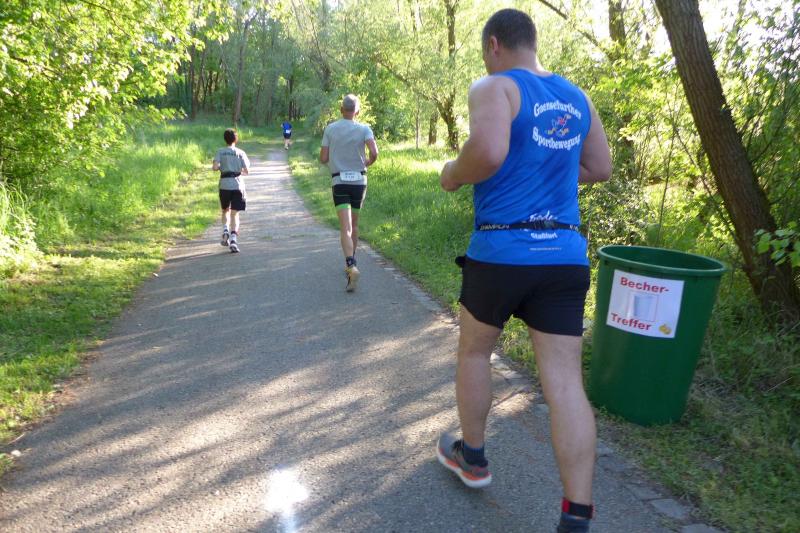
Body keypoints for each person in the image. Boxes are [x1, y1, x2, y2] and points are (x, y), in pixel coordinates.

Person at [435, 9, 611, 533]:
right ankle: (576, 515)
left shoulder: (495, 87)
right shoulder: (576, 98)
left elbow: (488, 151)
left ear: (494, 44)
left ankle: (473, 457)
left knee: (475, 351)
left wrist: (452, 173)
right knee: (566, 385)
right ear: (532, 42)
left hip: (502, 250)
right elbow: (599, 167)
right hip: (564, 255)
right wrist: (543, 167)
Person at [319, 94, 379, 292]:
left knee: (345, 228)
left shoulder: (330, 129)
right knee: (354, 224)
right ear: (357, 111)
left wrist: (336, 160)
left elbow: (323, 158)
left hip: (339, 181)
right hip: (359, 181)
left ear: (341, 109)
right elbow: (374, 153)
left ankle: (350, 265)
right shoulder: (364, 129)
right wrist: (367, 162)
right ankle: (353, 261)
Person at [212, 128, 251, 253]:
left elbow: (215, 167)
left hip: (224, 185)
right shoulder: (241, 153)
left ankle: (225, 230)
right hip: (237, 185)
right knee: (235, 213)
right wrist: (237, 170)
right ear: (236, 139)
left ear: (225, 139)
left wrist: (221, 167)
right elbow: (247, 171)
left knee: (225, 210)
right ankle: (233, 239)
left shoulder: (220, 151)